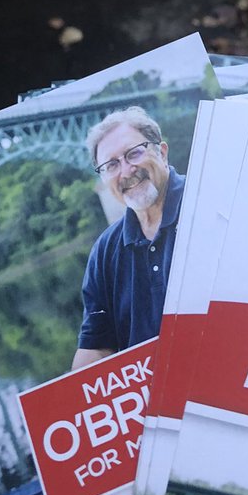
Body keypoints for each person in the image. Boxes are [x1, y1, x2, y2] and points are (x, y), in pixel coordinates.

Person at [71, 106, 184, 369]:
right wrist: (69, 393)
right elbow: (96, 347)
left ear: (162, 152)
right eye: (111, 165)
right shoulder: (104, 252)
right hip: (151, 390)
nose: (126, 171)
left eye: (134, 153)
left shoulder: (210, 203)